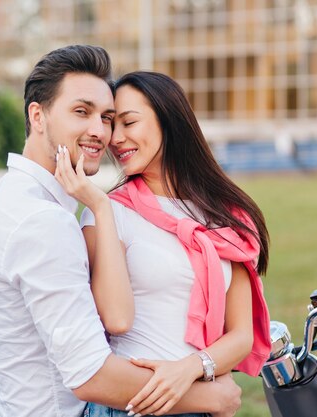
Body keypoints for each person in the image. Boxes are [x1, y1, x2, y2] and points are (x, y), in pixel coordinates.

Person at [0, 45, 243, 417]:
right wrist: (211, 399)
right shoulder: (42, 221)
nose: (100, 132)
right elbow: (91, 374)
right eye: (81, 112)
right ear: (38, 116)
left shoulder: (5, 199)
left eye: (107, 117)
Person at [56, 70, 271, 417]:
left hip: (199, 402)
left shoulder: (227, 215)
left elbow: (241, 335)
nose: (116, 138)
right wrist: (99, 206)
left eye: (129, 122)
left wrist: (188, 368)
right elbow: (114, 318)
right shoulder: (108, 212)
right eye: (114, 125)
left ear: (168, 120)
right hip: (131, 406)